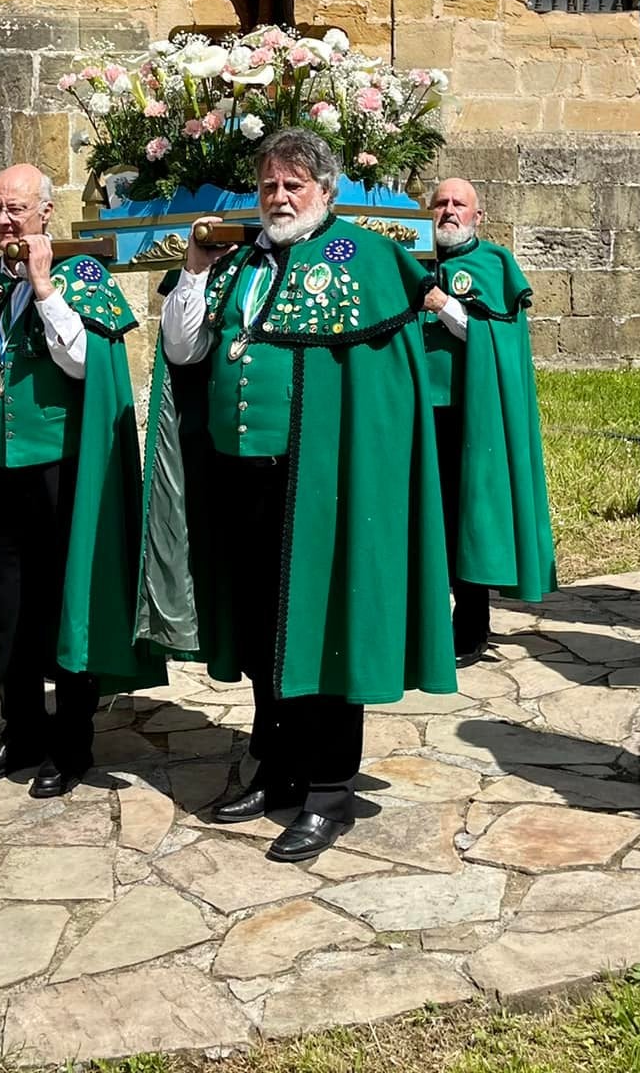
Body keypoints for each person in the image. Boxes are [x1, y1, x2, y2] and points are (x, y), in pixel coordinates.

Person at [140, 129, 455, 862]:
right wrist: (191, 271)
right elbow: (185, 349)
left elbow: (381, 394)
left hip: (322, 483)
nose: (279, 198)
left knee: (323, 628)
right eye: (269, 185)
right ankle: (276, 767)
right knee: (259, 629)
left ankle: (326, 790)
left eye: (294, 185)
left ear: (327, 190)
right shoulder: (239, 262)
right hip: (238, 477)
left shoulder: (366, 260)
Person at [0, 165, 156, 798]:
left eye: (16, 209)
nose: (4, 220)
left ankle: (71, 742)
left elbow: (83, 365)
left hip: (61, 467)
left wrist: (46, 289)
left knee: (62, 600)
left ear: (46, 212)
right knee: (6, 604)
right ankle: (20, 730)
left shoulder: (83, 277)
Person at [421, 178, 557, 660]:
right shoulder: (410, 261)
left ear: (479, 215)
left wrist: (443, 305)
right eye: (440, 203)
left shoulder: (493, 263)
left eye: (460, 204)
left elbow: (494, 337)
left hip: (470, 413)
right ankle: (422, 619)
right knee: (422, 515)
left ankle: (471, 622)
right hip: (414, 410)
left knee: (467, 512)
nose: (449, 211)